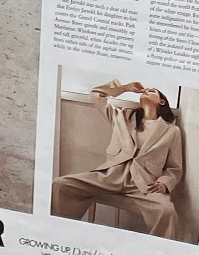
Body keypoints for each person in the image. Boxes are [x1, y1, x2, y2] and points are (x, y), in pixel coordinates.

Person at [51, 80, 186, 238]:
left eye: (152, 91)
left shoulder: (172, 131)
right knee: (60, 185)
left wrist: (164, 183)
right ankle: (57, 235)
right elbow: (96, 95)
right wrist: (124, 88)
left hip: (143, 184)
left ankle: (158, 251)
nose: (146, 91)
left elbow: (174, 168)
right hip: (110, 177)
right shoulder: (122, 117)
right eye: (145, 90)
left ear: (162, 101)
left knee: (167, 211)